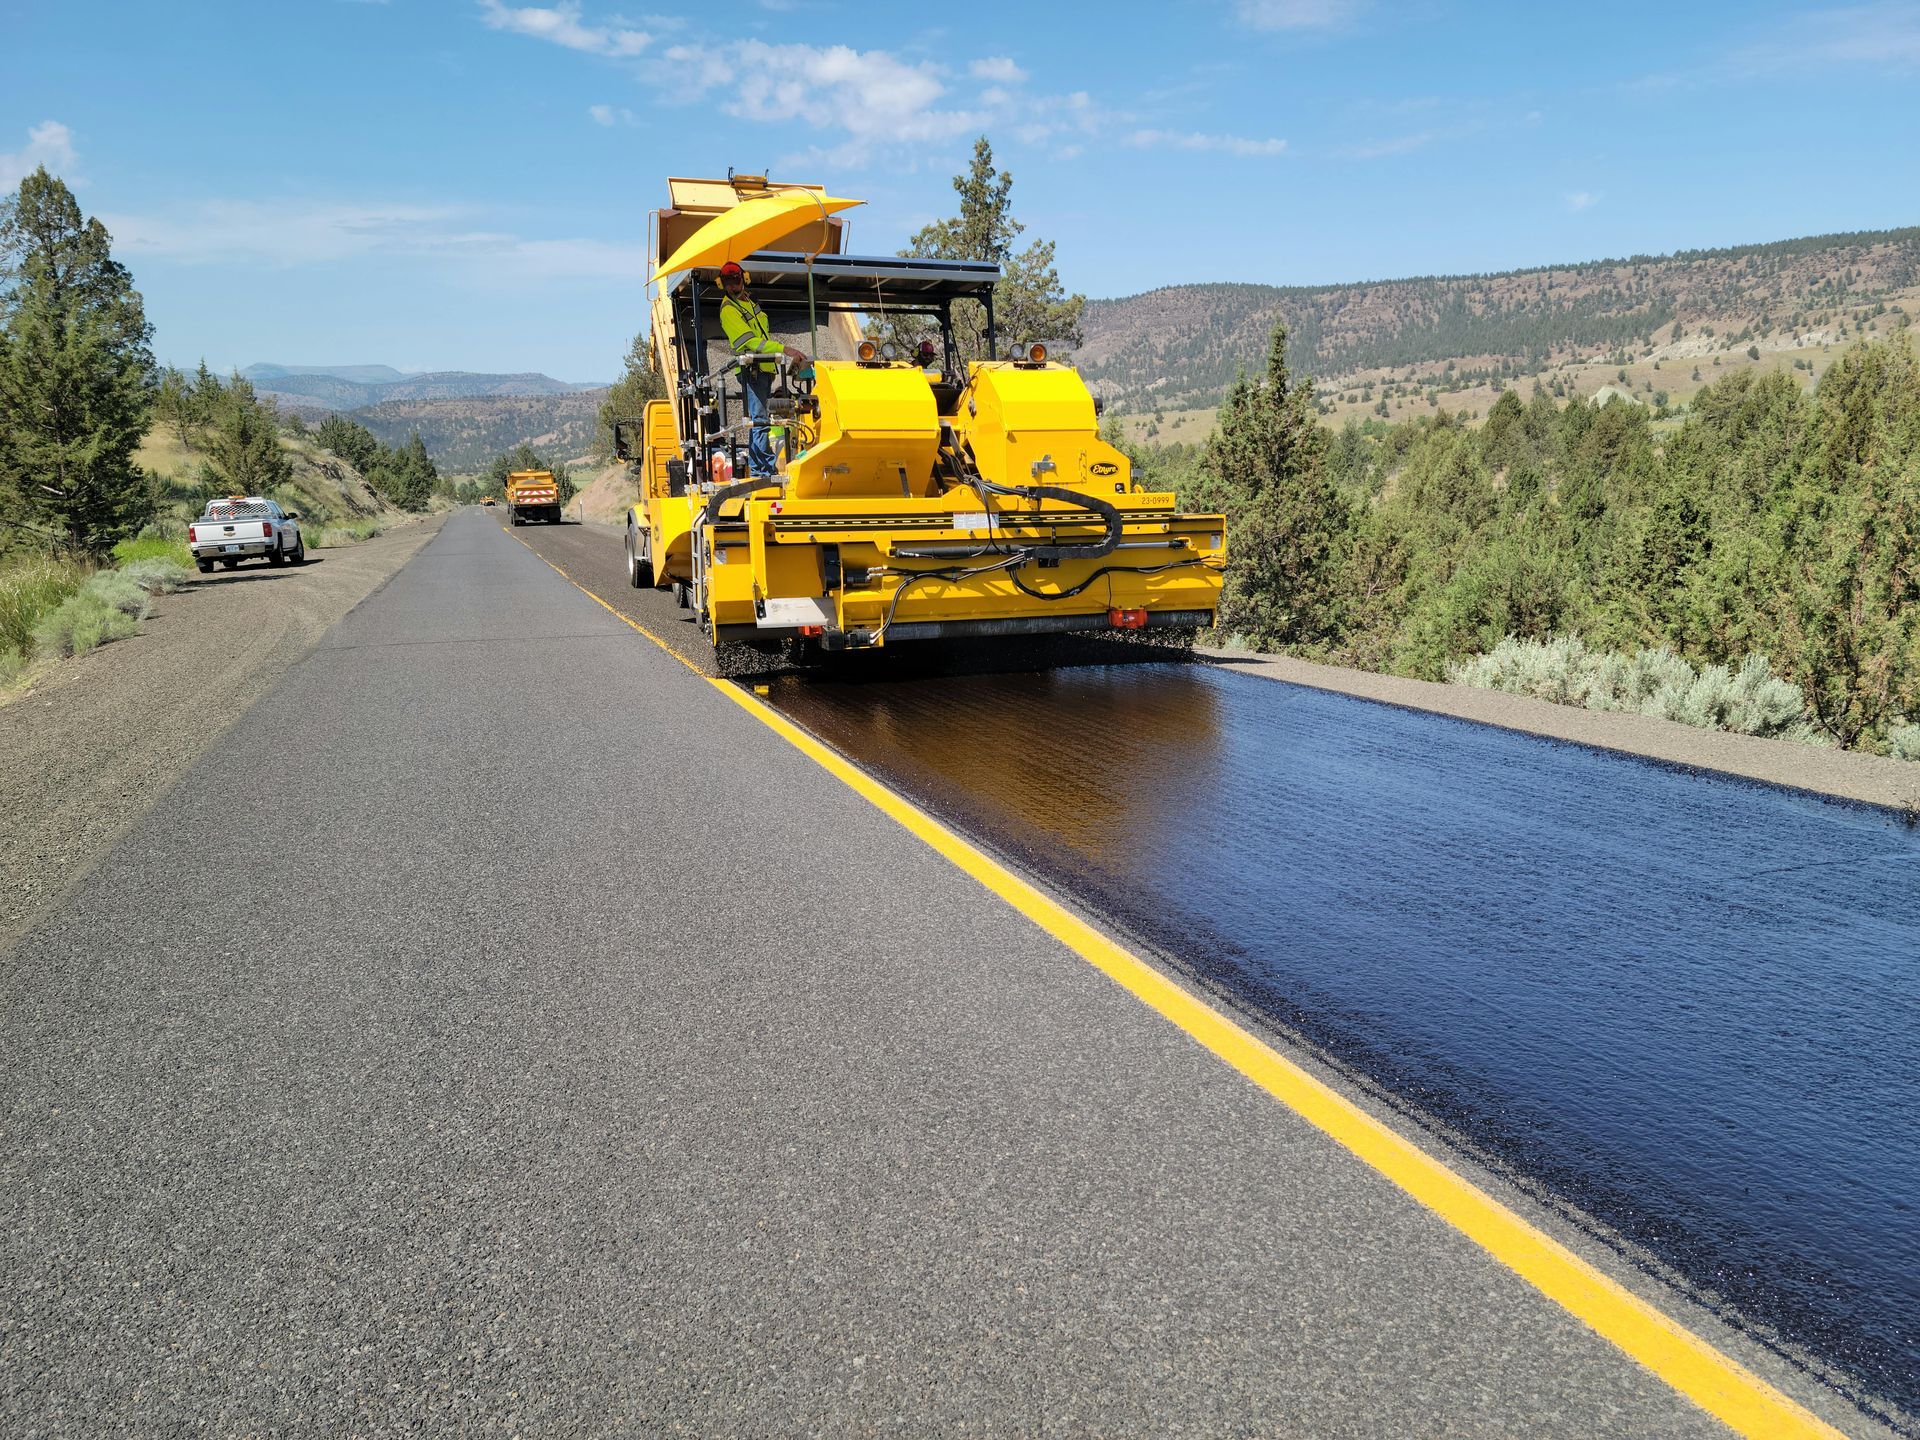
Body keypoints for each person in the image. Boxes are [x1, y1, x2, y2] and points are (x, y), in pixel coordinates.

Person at [716, 260, 809, 478]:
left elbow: (760, 336)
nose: (733, 286)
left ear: (744, 279)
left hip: (764, 368)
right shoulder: (729, 309)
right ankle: (763, 471)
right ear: (722, 284)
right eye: (728, 283)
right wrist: (784, 349)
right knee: (760, 420)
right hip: (752, 370)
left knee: (759, 420)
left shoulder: (748, 303)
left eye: (736, 281)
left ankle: (760, 468)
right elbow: (751, 342)